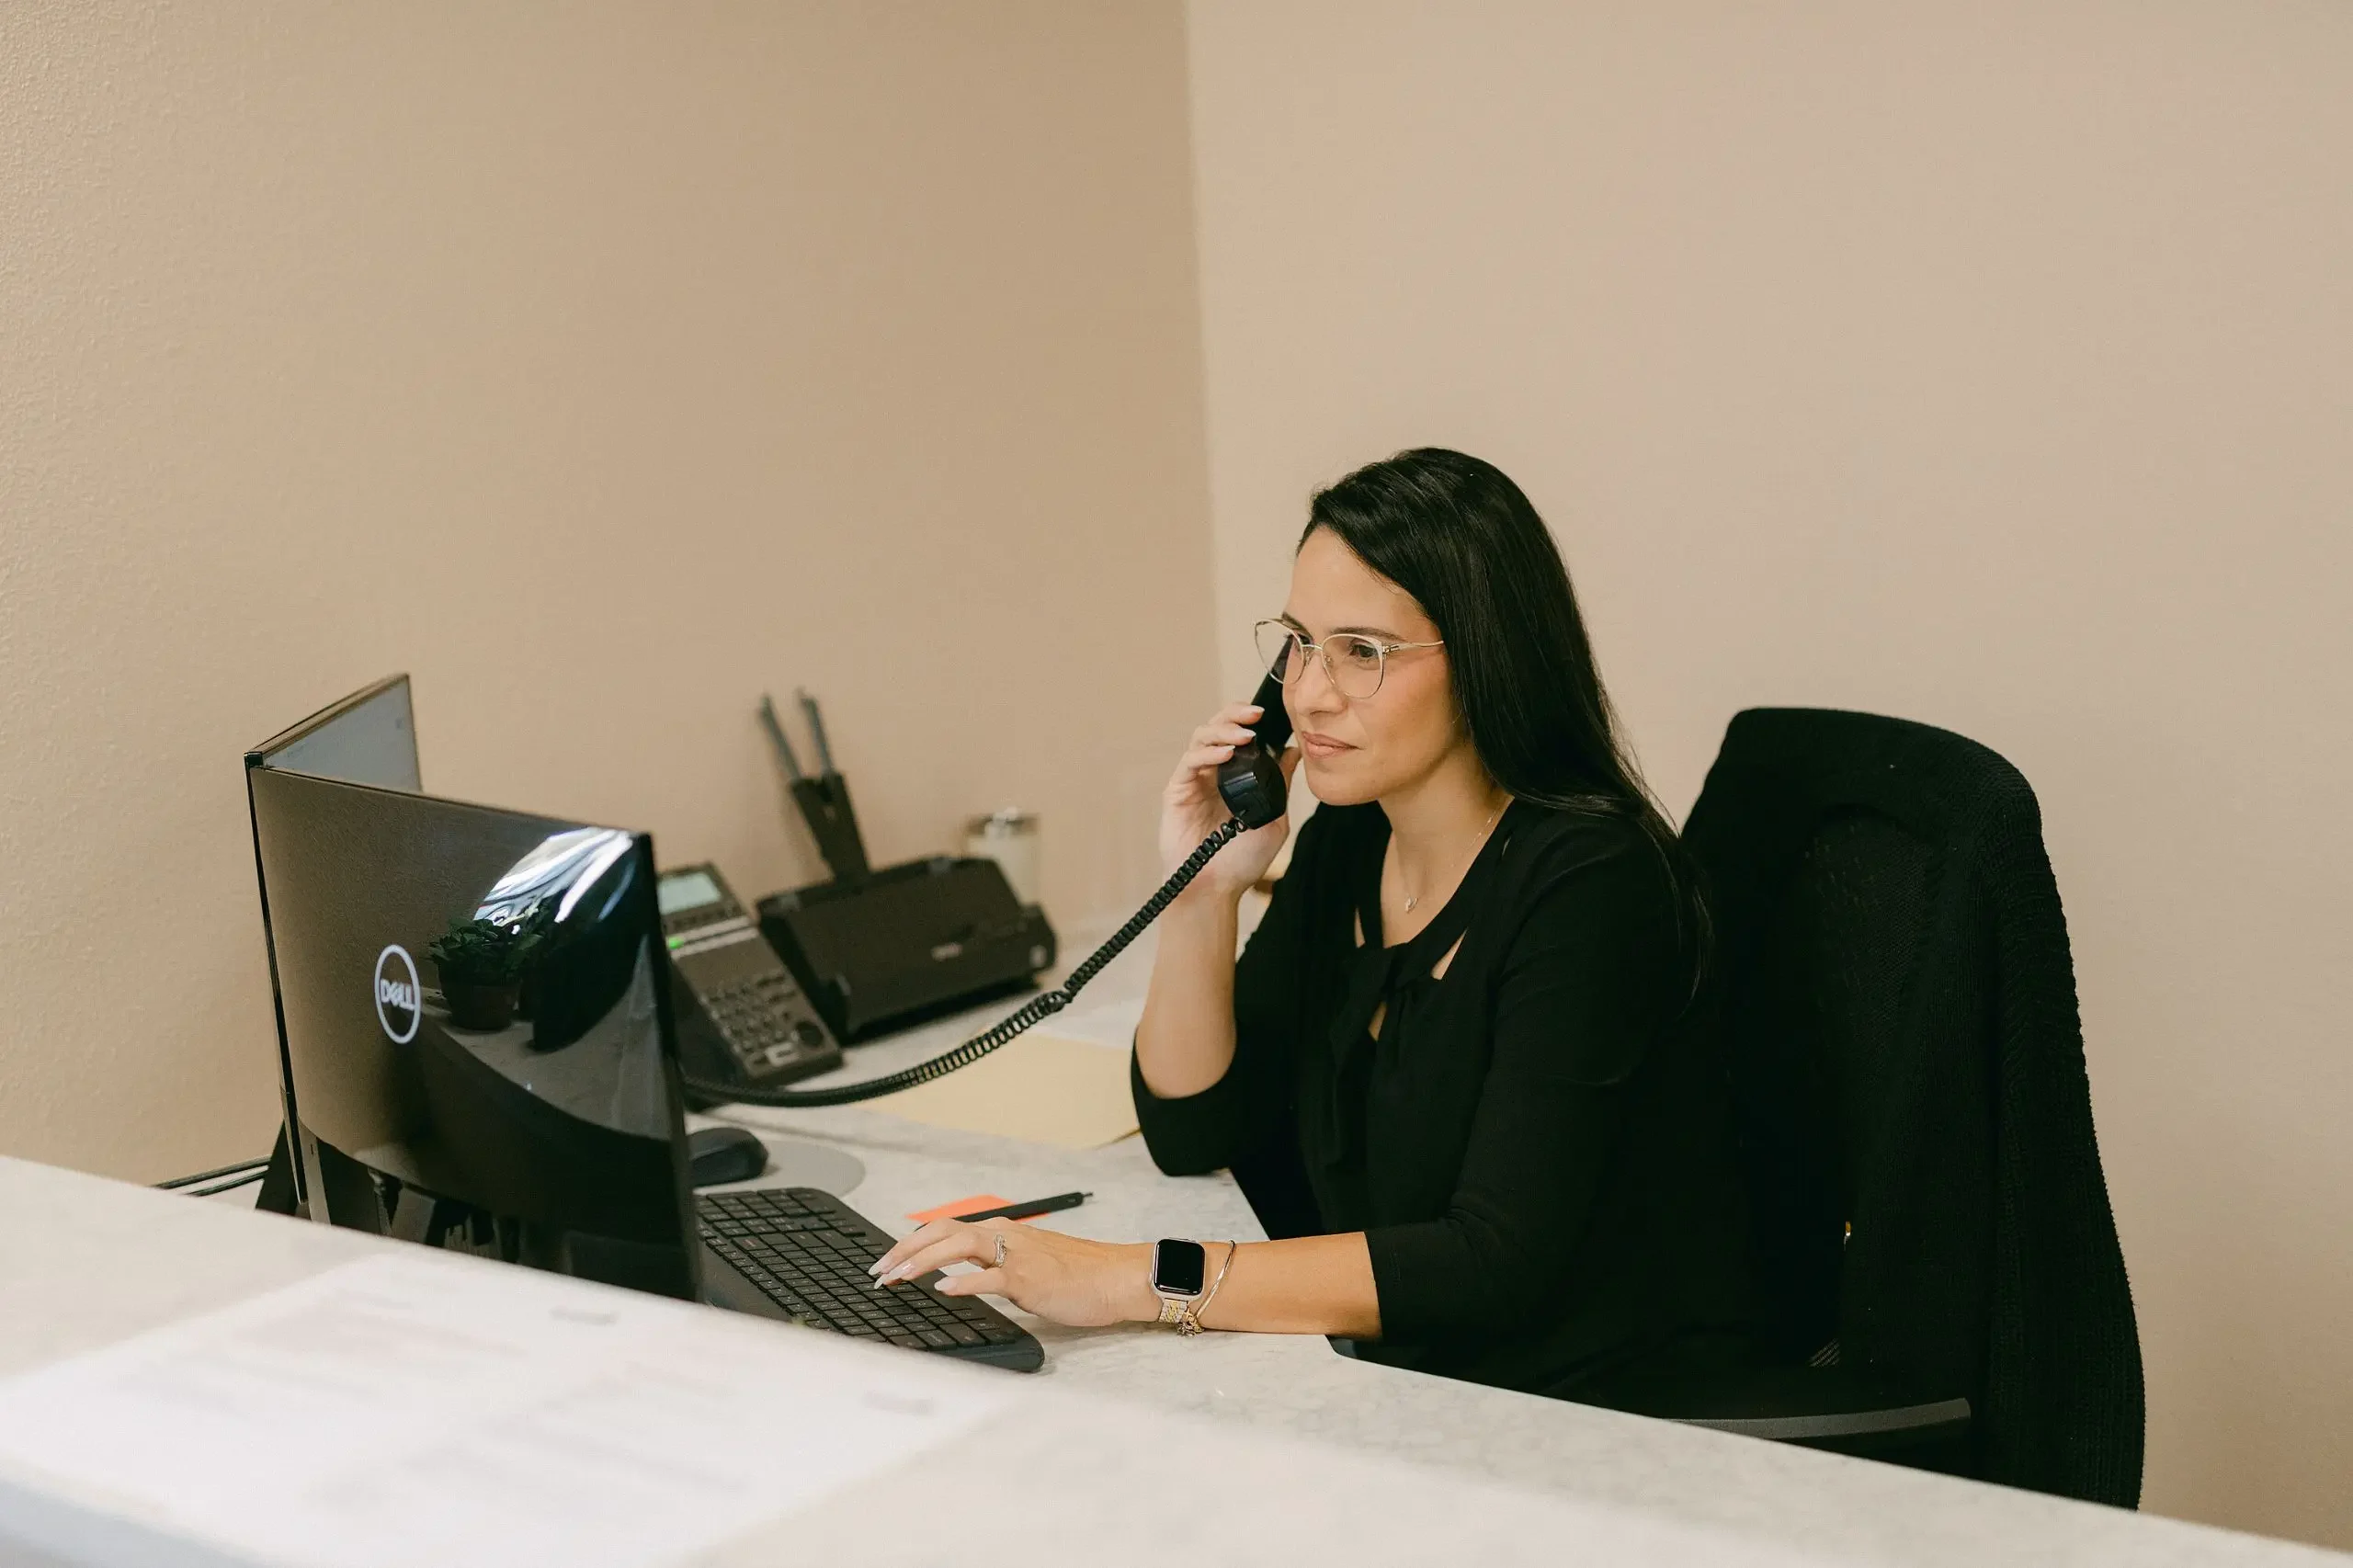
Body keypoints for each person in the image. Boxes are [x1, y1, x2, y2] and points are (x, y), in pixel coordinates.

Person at [871, 448, 1752, 1407]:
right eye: (1298, 641)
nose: (1308, 691)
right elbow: (1194, 1123)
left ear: (1489, 656)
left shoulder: (1591, 883)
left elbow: (1492, 1261)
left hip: (1577, 1413)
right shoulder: (1352, 833)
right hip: (1393, 1375)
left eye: (1363, 651)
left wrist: (1135, 1275)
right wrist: (1201, 889)